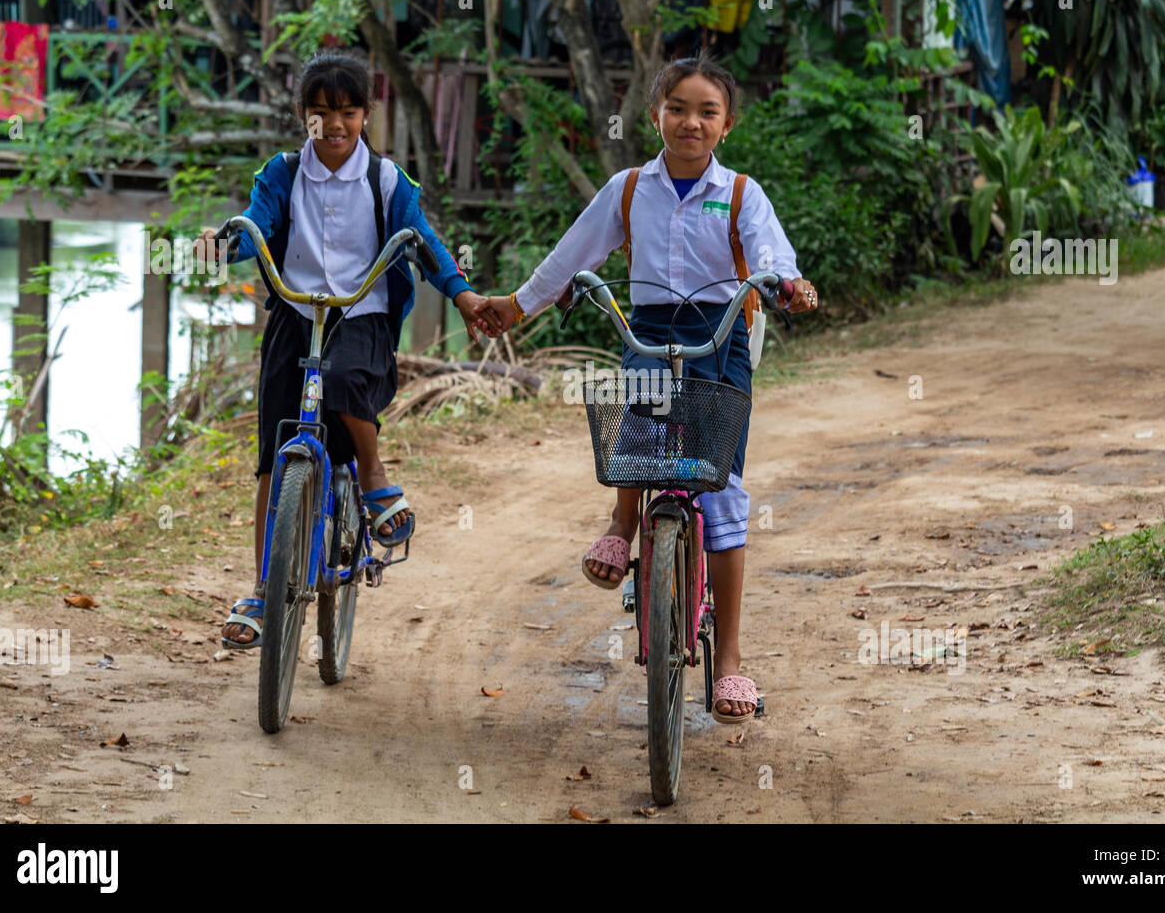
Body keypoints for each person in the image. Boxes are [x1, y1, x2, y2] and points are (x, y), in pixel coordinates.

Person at [477, 49, 818, 722]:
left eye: (707, 112)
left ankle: (728, 663)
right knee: (638, 423)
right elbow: (573, 255)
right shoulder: (629, 188)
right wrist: (518, 305)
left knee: (721, 490)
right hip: (651, 328)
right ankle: (620, 523)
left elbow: (772, 255)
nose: (690, 122)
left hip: (722, 333)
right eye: (678, 109)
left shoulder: (742, 193)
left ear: (727, 126)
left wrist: (789, 285)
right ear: (656, 114)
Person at [196, 49, 496, 649]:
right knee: (272, 453)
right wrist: (218, 245)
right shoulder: (281, 173)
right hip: (295, 308)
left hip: (362, 313)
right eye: (321, 112)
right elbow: (254, 225)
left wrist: (461, 295)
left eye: (349, 111)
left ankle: (375, 475)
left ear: (366, 115)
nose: (334, 125)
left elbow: (423, 240)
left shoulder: (386, 180)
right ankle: (261, 586)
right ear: (302, 115)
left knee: (341, 378)